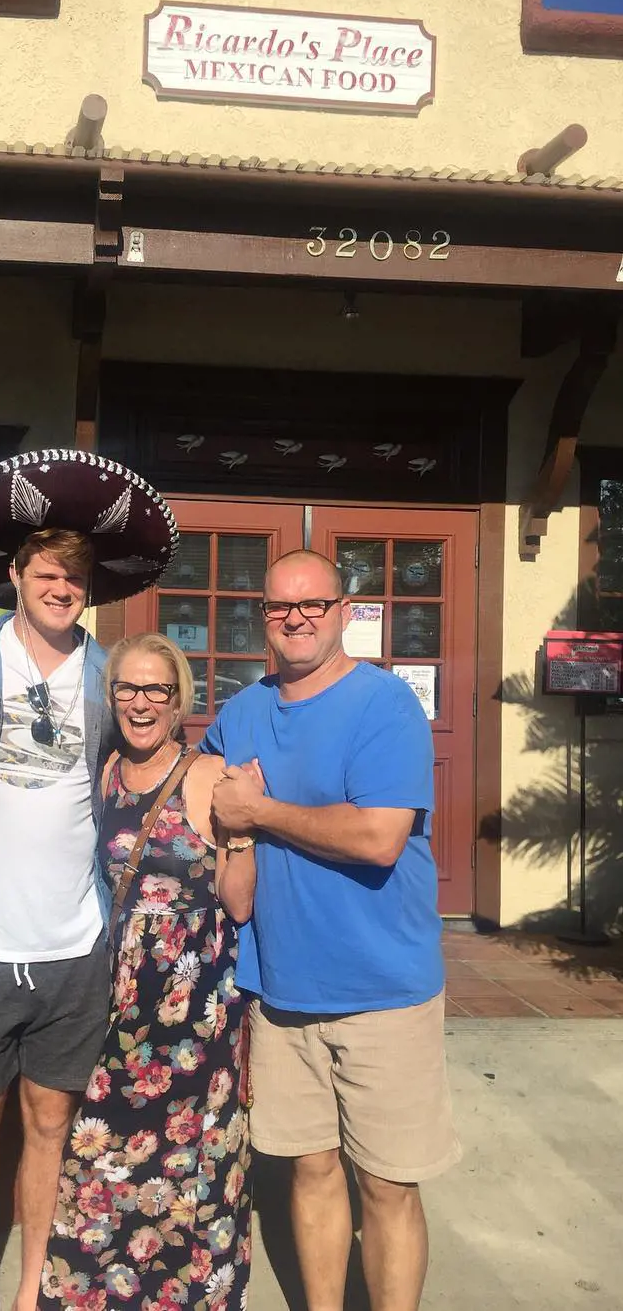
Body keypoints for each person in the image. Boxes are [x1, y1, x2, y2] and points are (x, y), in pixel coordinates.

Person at [0, 449, 180, 1311]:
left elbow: (159, 757)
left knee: (46, 1125)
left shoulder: (113, 676)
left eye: (74, 575)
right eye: (45, 572)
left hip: (76, 944)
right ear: (14, 576)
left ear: (89, 587)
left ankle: (30, 1286)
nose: (60, 586)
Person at [205, 549, 461, 1311]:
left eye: (312, 604)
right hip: (281, 989)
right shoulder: (244, 710)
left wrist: (261, 812)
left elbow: (380, 835)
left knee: (387, 1182)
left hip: (383, 988)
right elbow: (202, 799)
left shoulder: (384, 705)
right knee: (309, 1170)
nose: (296, 619)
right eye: (281, 607)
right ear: (263, 616)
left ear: (342, 611)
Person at [38, 631, 254, 1311]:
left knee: (195, 1170)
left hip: (195, 1014)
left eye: (155, 689)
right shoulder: (104, 775)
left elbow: (241, 900)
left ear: (178, 700)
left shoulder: (205, 775)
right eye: (127, 687)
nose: (140, 702)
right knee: (101, 1162)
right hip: (117, 1006)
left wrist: (243, 829)